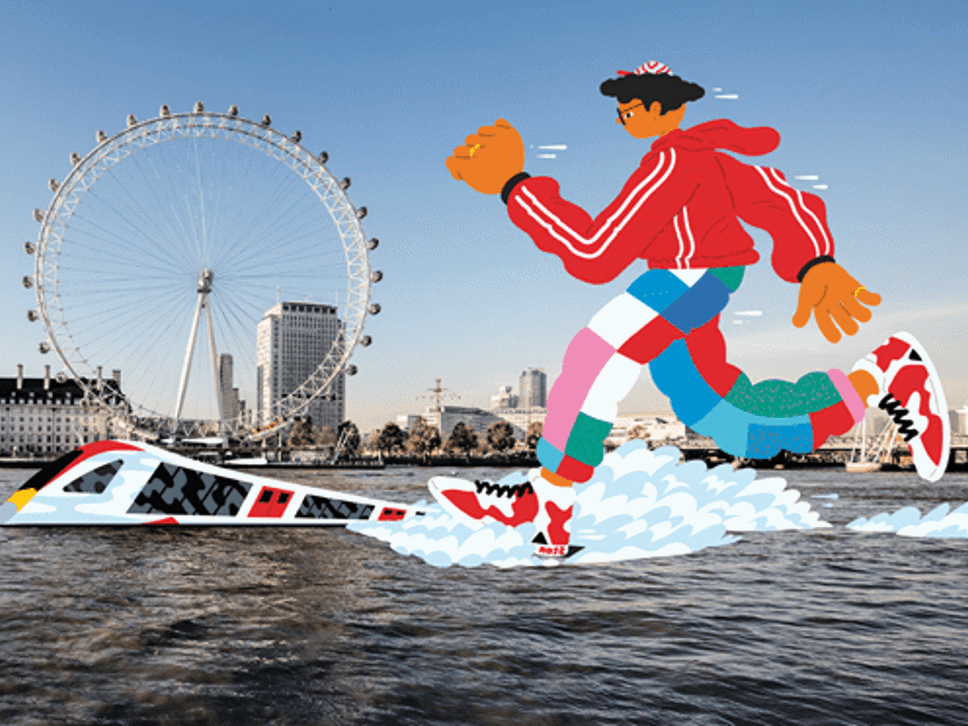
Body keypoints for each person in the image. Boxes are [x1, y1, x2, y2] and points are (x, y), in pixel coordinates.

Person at [432, 60, 950, 557]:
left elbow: (596, 254)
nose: (622, 117)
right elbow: (782, 199)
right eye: (620, 111)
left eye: (629, 108)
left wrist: (514, 186)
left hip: (688, 279)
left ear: (665, 109)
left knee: (600, 350)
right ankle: (882, 376)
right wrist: (815, 260)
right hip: (698, 280)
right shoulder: (703, 157)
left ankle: (548, 499)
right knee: (733, 419)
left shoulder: (673, 162)